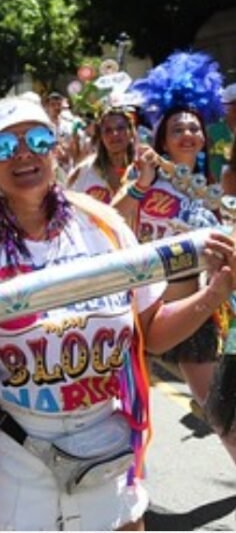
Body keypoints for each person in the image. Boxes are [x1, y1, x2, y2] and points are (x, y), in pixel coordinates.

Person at [0, 96, 236, 530]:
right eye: (6, 148)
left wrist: (214, 294)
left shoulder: (105, 227)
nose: (24, 155)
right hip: (13, 456)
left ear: (56, 148)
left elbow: (151, 334)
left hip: (103, 445)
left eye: (36, 140)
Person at [113, 52, 235, 462]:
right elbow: (112, 225)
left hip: (192, 314)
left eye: (194, 128)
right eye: (178, 128)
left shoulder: (207, 189)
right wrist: (137, 187)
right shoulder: (145, 179)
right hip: (139, 314)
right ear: (162, 137)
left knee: (221, 412)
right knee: (120, 414)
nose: (187, 134)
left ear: (203, 136)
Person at [68, 107, 138, 203]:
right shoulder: (84, 171)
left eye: (120, 128)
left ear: (131, 133)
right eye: (108, 130)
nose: (115, 134)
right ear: (100, 136)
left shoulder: (144, 169)